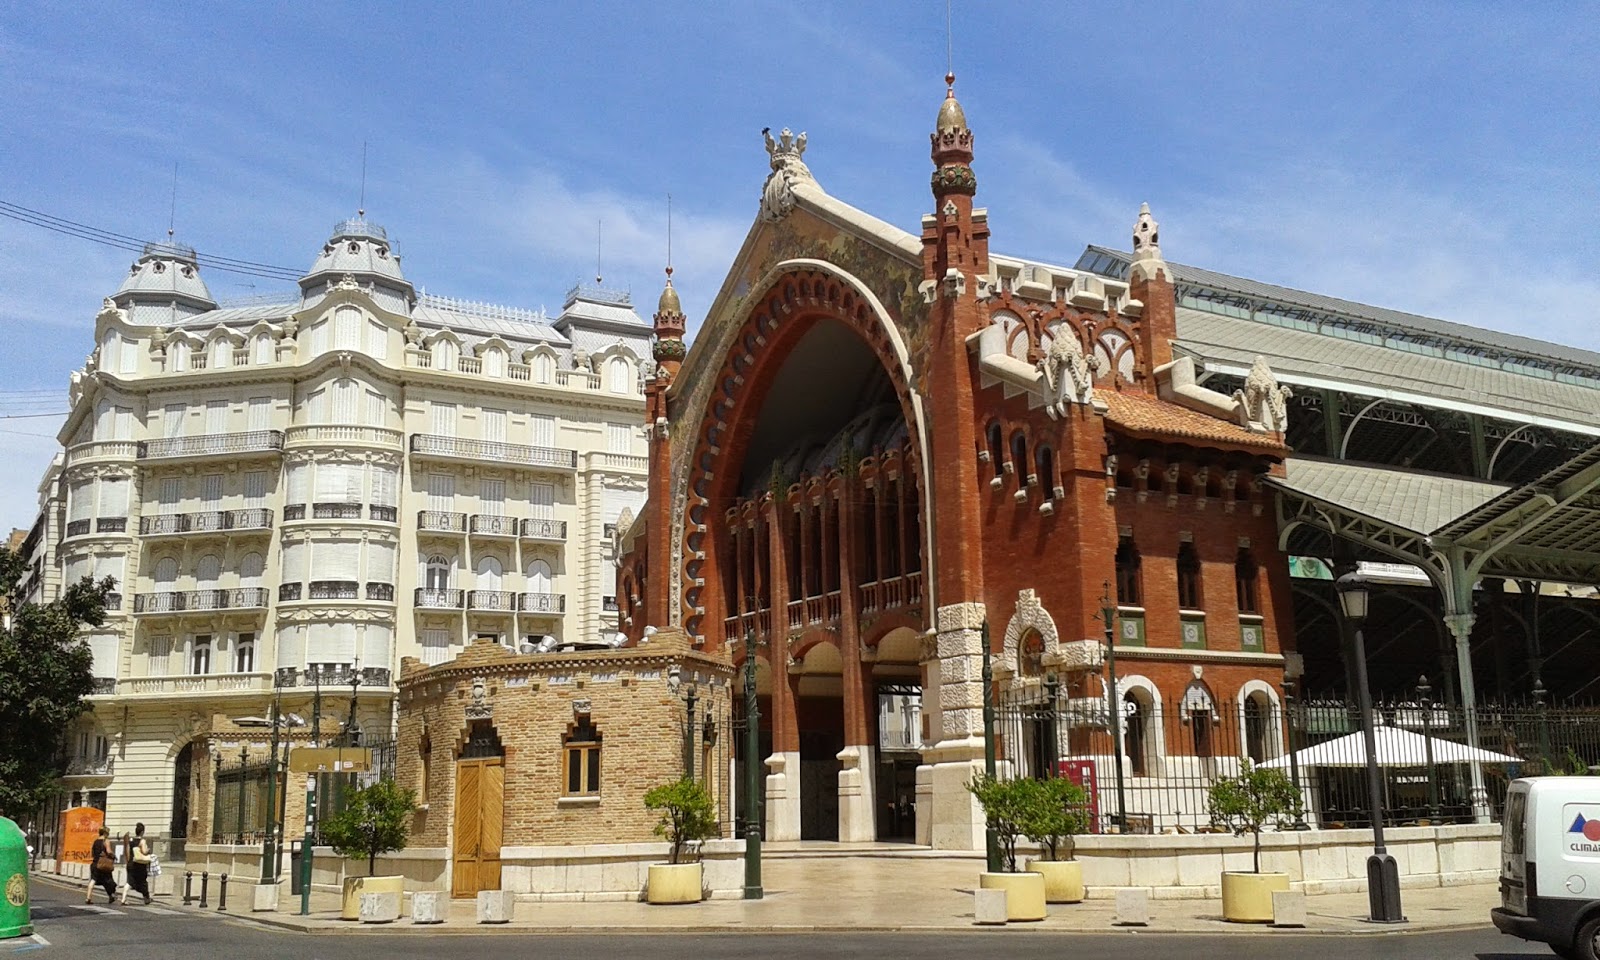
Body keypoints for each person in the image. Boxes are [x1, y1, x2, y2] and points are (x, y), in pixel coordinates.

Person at [86, 826, 118, 905]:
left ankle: (88, 897)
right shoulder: (106, 840)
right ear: (105, 833)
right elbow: (109, 851)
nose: (108, 834)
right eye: (108, 833)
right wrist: (114, 856)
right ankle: (112, 895)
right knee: (109, 880)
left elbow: (92, 853)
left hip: (95, 864)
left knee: (93, 880)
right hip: (103, 865)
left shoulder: (95, 841)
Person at [123, 824, 151, 905]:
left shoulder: (131, 841)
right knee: (142, 882)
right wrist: (148, 850)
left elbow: (127, 853)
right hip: (140, 865)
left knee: (129, 882)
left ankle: (123, 898)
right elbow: (144, 852)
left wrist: (128, 862)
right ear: (142, 832)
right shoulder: (142, 841)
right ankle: (146, 898)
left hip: (131, 864)